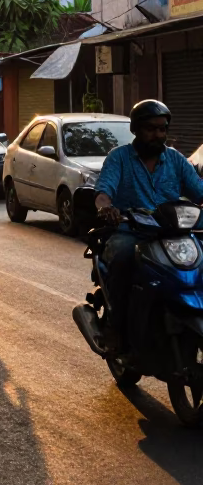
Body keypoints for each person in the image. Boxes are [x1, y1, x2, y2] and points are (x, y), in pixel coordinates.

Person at [94, 98, 203, 348]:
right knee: (122, 256)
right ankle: (115, 328)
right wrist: (106, 208)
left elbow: (198, 190)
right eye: (151, 129)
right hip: (132, 233)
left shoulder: (176, 160)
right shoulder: (119, 158)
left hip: (173, 234)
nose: (158, 134)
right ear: (135, 130)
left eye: (162, 129)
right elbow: (103, 192)